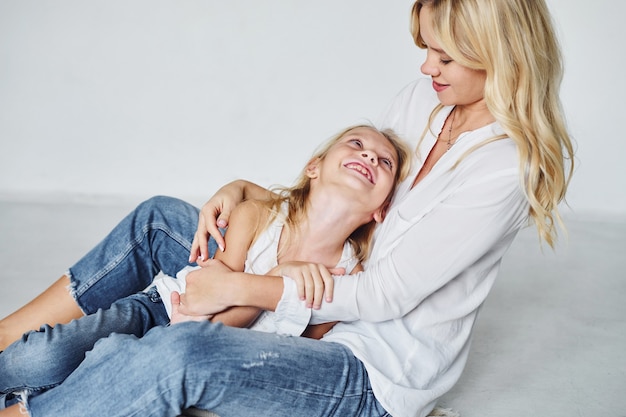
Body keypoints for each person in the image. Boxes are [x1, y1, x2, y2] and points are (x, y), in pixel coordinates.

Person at [0, 0, 575, 416]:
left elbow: (384, 295)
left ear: (496, 55)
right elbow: (340, 184)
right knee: (159, 220)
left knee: (182, 354)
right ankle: (12, 342)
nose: (427, 69)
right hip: (298, 273)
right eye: (425, 49)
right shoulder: (427, 98)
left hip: (362, 358)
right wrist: (248, 191)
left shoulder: (504, 167)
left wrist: (242, 287)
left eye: (444, 57)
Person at [0, 124, 412, 401]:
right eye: (356, 144)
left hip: (205, 357)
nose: (370, 157)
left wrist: (267, 289)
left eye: (385, 161)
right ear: (314, 168)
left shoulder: (346, 277)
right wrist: (277, 285)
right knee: (38, 358)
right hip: (165, 310)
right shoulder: (257, 217)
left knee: (101, 373)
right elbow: (204, 299)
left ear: (381, 209)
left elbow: (292, 350)